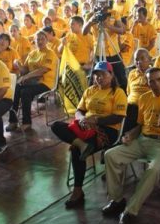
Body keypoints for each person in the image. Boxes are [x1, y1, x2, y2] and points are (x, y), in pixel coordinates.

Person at [102, 67, 160, 224]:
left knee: (153, 170)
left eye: (158, 80)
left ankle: (130, 210)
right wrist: (130, 135)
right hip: (142, 140)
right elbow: (140, 126)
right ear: (147, 83)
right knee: (110, 155)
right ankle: (117, 199)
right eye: (151, 81)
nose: (155, 84)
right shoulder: (144, 98)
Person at [51, 61, 127, 209]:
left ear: (111, 76)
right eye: (96, 75)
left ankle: (78, 190)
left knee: (75, 149)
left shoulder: (118, 92)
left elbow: (118, 117)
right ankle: (82, 144)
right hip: (86, 126)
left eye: (103, 75)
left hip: (108, 129)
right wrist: (82, 119)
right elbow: (79, 110)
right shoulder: (90, 91)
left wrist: (96, 120)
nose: (99, 78)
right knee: (56, 126)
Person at [7, 30, 56, 132]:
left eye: (42, 39)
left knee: (25, 92)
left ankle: (27, 123)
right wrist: (18, 65)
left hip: (45, 83)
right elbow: (25, 70)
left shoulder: (50, 53)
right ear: (34, 41)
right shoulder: (32, 53)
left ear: (47, 40)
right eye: (37, 39)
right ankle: (13, 121)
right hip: (31, 82)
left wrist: (26, 77)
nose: (40, 41)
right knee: (15, 89)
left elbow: (42, 71)